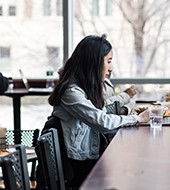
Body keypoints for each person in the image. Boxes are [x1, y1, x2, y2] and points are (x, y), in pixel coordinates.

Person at [44, 34, 149, 188]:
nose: (111, 67)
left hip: (86, 156)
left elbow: (101, 107)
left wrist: (125, 99)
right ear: (94, 62)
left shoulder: (82, 87)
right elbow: (101, 121)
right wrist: (137, 119)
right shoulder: (71, 91)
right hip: (78, 165)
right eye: (109, 61)